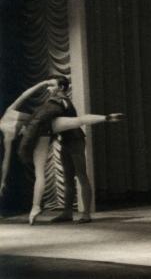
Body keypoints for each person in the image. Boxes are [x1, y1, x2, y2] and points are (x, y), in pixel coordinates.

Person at [17, 75, 124, 225]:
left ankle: (86, 213)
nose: (48, 88)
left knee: (81, 175)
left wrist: (106, 118)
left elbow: (79, 120)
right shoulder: (56, 102)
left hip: (75, 141)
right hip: (66, 141)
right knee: (68, 178)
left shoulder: (61, 101)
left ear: (61, 88)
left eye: (52, 85)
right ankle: (67, 212)